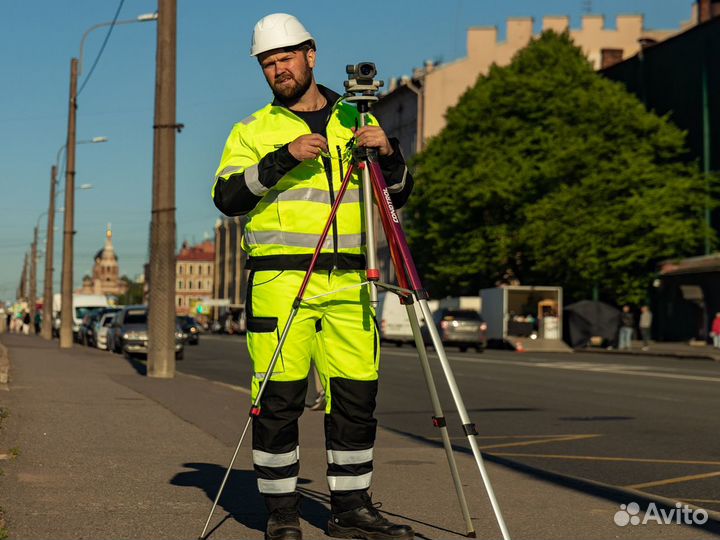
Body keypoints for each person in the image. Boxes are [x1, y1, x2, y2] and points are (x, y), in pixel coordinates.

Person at [212, 13, 414, 540]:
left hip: (350, 280)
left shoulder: (356, 118)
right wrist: (282, 159)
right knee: (277, 398)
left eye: (285, 57)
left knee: (356, 396)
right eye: (268, 62)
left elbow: (400, 194)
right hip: (280, 282)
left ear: (311, 55)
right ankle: (280, 513)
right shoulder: (252, 131)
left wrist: (389, 154)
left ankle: (351, 510)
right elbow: (227, 197)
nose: (278, 69)